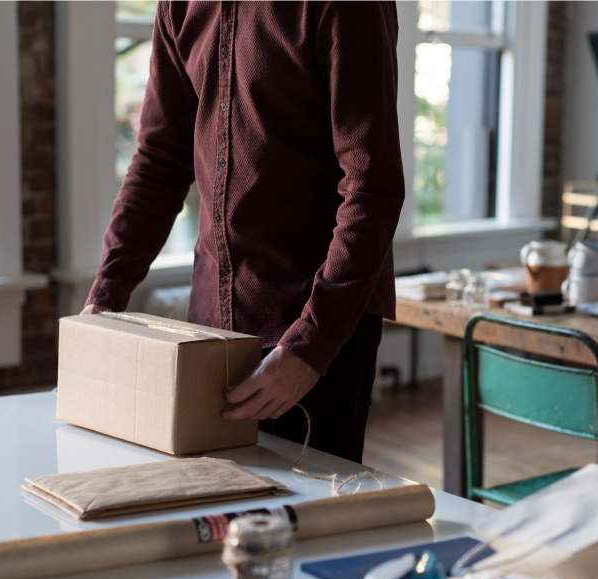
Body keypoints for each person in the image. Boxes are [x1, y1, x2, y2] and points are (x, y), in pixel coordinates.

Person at [81, 1, 405, 464]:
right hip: (209, 333)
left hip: (316, 331)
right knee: (213, 520)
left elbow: (372, 188)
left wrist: (310, 346)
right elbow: (159, 161)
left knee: (306, 527)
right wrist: (104, 301)